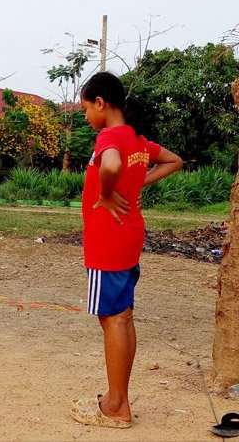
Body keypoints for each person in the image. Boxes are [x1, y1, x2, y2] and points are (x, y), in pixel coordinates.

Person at [70, 72, 182, 428]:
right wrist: (136, 183)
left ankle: (116, 406)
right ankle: (117, 396)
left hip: (109, 240)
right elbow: (174, 160)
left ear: (101, 103)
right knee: (124, 316)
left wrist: (106, 192)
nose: (86, 116)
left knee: (114, 319)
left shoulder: (110, 136)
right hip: (129, 236)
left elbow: (113, 165)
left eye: (86, 108)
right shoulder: (136, 138)